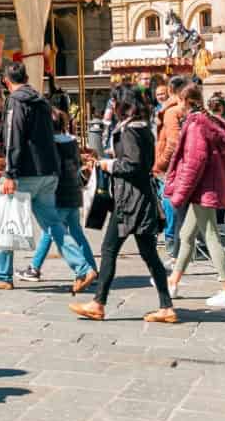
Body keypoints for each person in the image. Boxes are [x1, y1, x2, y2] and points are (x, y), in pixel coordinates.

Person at [71, 85, 176, 324]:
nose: (112, 106)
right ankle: (166, 306)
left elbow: (132, 165)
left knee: (110, 250)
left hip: (130, 201)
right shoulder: (140, 128)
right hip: (140, 199)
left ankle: (98, 304)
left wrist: (108, 165)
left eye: (114, 102)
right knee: (149, 255)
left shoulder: (130, 131)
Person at [0, 62, 69, 291]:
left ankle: (2, 275)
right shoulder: (41, 100)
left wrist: (10, 172)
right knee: (54, 225)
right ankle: (83, 268)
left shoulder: (16, 101)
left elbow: (14, 136)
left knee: (6, 219)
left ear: (6, 82)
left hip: (25, 171)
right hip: (48, 171)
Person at [165, 83, 225, 309]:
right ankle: (173, 281)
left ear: (184, 101)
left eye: (177, 101)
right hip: (207, 187)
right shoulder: (209, 122)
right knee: (187, 235)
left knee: (210, 235)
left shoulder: (196, 124)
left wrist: (179, 194)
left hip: (203, 189)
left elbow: (193, 162)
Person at [19, 97, 98, 293]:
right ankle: (92, 268)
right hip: (74, 193)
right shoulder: (72, 142)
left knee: (51, 230)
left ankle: (35, 268)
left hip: (59, 194)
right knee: (76, 233)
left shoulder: (50, 145)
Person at [153, 77, 187, 258]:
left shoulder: (171, 112)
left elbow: (173, 142)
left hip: (170, 166)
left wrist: (161, 163)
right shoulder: (180, 109)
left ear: (170, 91)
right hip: (180, 164)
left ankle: (172, 242)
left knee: (169, 200)